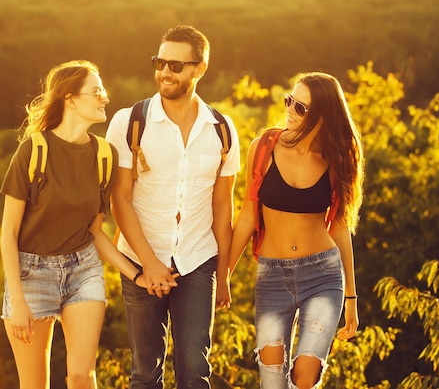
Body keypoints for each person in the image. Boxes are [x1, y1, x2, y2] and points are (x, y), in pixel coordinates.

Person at [0, 60, 157, 389]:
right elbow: (8, 234)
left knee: (82, 376)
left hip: (82, 269)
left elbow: (95, 232)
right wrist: (18, 301)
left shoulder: (104, 156)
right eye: (96, 91)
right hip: (31, 274)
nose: (104, 98)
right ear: (70, 98)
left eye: (104, 91)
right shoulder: (34, 151)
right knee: (34, 384)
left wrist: (137, 273)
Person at [105, 25, 240, 388]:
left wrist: (223, 274)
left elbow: (223, 206)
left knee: (195, 374)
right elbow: (119, 198)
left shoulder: (223, 129)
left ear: (199, 69)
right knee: (145, 374)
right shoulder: (130, 122)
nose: (164, 72)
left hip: (198, 260)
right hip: (139, 259)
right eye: (159, 62)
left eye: (175, 65)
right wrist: (149, 264)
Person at [228, 72, 364, 389]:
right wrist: (224, 276)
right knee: (273, 380)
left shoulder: (337, 159)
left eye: (301, 108)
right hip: (272, 275)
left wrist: (351, 298)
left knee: (306, 376)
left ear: (322, 116)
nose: (290, 109)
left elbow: (341, 228)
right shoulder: (262, 148)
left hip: (323, 274)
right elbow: (247, 214)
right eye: (290, 100)